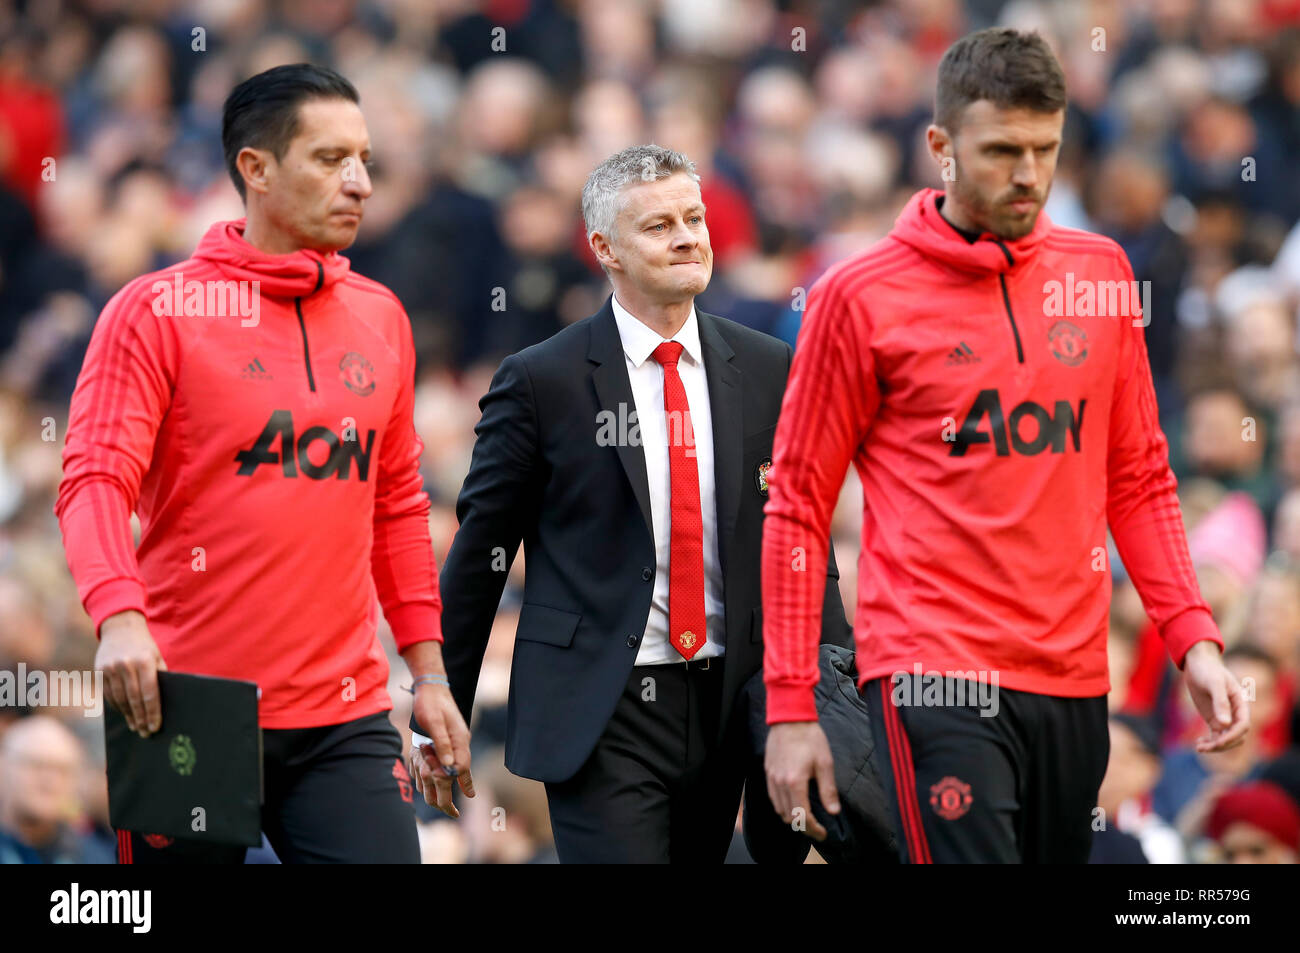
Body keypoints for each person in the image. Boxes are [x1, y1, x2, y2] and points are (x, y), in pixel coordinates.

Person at [760, 27, 1249, 864]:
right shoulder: (857, 297)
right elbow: (797, 506)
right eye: (1001, 151)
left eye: (1046, 149)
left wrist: (1191, 636)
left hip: (1070, 675)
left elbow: (1136, 475)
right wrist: (790, 706)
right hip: (930, 671)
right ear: (940, 148)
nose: (1028, 174)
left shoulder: (1101, 274)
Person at [54, 63, 467, 863]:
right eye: (330, 158)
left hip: (343, 715)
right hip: (185, 705)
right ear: (256, 169)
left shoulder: (382, 317)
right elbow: (95, 478)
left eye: (365, 160)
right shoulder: (155, 311)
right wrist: (120, 616)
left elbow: (397, 506)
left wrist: (429, 670)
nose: (360, 183)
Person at [409, 144, 852, 862]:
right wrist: (437, 703)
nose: (686, 237)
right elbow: (480, 558)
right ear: (604, 248)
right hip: (600, 703)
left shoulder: (771, 367)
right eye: (659, 226)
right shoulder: (540, 380)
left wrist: (837, 694)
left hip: (728, 698)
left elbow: (805, 544)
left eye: (694, 218)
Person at [0, 716, 115, 864]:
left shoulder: (97, 857)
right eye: (36, 765)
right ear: (4, 766)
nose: (49, 781)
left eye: (62, 771)